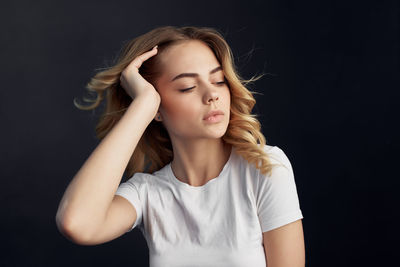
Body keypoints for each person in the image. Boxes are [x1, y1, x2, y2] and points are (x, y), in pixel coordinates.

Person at [55, 25, 305, 267]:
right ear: (157, 109)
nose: (212, 95)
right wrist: (143, 105)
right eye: (188, 87)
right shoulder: (148, 193)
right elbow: (76, 223)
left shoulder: (264, 168)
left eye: (218, 80)